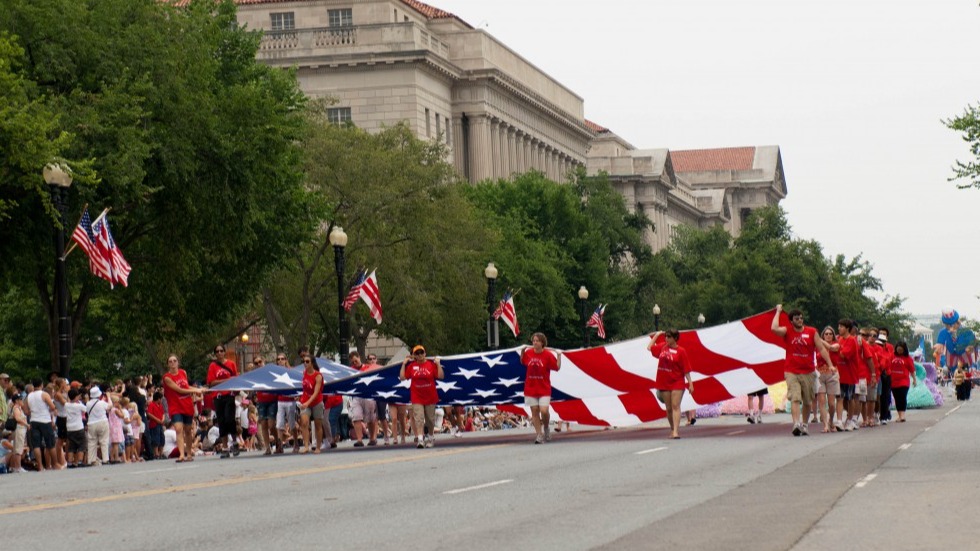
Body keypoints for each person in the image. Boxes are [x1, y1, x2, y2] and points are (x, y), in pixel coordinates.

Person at [771, 306, 834, 436]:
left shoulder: (812, 331)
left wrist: (830, 365)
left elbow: (821, 349)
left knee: (807, 401)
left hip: (808, 372)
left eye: (801, 318)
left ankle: (805, 424)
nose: (800, 320)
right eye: (796, 318)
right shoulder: (787, 331)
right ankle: (796, 424)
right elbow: (774, 328)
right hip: (791, 371)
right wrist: (777, 311)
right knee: (795, 397)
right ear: (791, 321)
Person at [647, 329, 695, 439]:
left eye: (669, 337)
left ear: (675, 338)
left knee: (675, 406)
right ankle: (672, 428)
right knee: (668, 408)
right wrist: (657, 335)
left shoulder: (681, 351)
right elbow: (649, 348)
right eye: (666, 336)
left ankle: (676, 432)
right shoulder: (663, 347)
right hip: (663, 382)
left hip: (677, 381)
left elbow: (686, 369)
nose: (666, 339)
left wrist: (690, 383)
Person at [520, 333, 562, 444]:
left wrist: (559, 356)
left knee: (543, 410)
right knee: (534, 411)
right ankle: (539, 435)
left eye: (537, 341)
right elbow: (522, 361)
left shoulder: (547, 355)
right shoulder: (529, 353)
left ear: (542, 343)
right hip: (530, 387)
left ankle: (547, 427)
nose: (535, 343)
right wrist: (522, 351)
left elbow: (557, 367)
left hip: (544, 387)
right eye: (533, 341)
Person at [162, 354, 206, 462]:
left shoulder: (183, 372)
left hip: (186, 404)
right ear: (168, 364)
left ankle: (189, 453)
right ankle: (182, 454)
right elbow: (179, 390)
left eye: (174, 361)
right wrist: (195, 391)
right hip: (175, 405)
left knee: (188, 430)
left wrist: (199, 389)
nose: (173, 363)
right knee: (178, 429)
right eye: (170, 361)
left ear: (178, 362)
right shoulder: (167, 377)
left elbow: (186, 387)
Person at [400, 345, 444, 449]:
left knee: (430, 419)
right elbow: (402, 377)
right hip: (417, 396)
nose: (419, 355)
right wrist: (403, 364)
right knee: (418, 418)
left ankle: (431, 437)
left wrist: (438, 364)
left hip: (430, 396)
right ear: (414, 356)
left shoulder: (430, 364)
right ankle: (420, 439)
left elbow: (441, 376)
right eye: (417, 353)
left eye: (421, 352)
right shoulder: (412, 366)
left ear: (425, 354)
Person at [206, 344, 239, 458]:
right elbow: (211, 382)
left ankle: (234, 442)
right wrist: (226, 380)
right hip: (218, 396)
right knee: (222, 421)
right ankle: (225, 447)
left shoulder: (231, 364)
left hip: (229, 394)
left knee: (230, 419)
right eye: (217, 351)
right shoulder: (213, 366)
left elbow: (235, 378)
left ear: (224, 352)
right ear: (215, 354)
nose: (219, 353)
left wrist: (236, 388)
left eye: (221, 351)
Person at [26, 378, 59, 470]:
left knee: (36, 444)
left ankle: (40, 465)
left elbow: (25, 410)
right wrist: (48, 410)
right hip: (45, 420)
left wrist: (33, 412)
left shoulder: (29, 396)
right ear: (41, 385)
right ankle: (55, 464)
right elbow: (52, 407)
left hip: (34, 420)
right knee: (50, 443)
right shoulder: (44, 394)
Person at [349, 352, 379, 447]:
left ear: (359, 358)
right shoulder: (350, 370)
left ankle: (372, 438)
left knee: (371, 418)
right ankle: (359, 439)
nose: (355, 363)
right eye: (353, 362)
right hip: (356, 396)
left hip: (368, 395)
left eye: (356, 360)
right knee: (356, 417)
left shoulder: (367, 368)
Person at [814, 326, 841, 433]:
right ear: (823, 335)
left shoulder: (837, 344)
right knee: (821, 401)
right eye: (826, 334)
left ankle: (831, 420)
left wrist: (818, 339)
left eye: (830, 334)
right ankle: (825, 424)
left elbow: (831, 348)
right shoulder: (817, 346)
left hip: (832, 374)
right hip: (820, 374)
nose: (828, 335)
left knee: (831, 403)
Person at [297, 353, 325, 454]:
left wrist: (308, 403)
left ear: (312, 363)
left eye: (307, 361)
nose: (305, 363)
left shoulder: (318, 376)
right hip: (305, 400)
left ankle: (318, 446)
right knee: (304, 422)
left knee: (318, 425)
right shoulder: (304, 373)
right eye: (304, 361)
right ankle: (306, 446)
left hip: (316, 401)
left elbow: (316, 392)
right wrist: (302, 400)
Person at [251, 354, 279, 455]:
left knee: (271, 424)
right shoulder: (254, 375)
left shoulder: (270, 372)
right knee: (263, 425)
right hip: (261, 401)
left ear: (264, 362)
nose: (258, 364)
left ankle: (277, 441)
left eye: (260, 362)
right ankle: (267, 448)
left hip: (272, 400)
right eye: (256, 363)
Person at [274, 352, 299, 454]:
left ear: (286, 360)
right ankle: (280, 446)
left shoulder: (291, 371)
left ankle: (296, 444)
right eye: (278, 359)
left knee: (292, 423)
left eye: (282, 359)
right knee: (279, 424)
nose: (280, 361)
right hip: (280, 401)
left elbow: (297, 382)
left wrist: (298, 395)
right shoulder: (275, 373)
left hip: (290, 401)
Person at [889, 341, 917, 422]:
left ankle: (903, 415)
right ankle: (899, 415)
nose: (899, 351)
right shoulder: (892, 356)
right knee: (897, 398)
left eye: (901, 350)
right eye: (898, 349)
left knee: (902, 397)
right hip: (893, 381)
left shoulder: (908, 358)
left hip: (903, 381)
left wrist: (914, 380)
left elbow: (912, 370)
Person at [85, 386, 111, 466]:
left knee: (92, 442)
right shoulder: (101, 402)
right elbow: (110, 406)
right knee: (104, 441)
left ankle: (91, 460)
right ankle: (105, 459)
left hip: (91, 423)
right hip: (102, 421)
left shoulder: (88, 404)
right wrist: (109, 397)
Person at [64, 389, 87, 468]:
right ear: (76, 397)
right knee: (81, 444)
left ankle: (70, 462)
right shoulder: (79, 405)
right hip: (78, 427)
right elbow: (86, 409)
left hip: (70, 428)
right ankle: (80, 461)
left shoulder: (66, 405)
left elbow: (67, 401)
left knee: (71, 446)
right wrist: (80, 401)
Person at [8, 394, 29, 473]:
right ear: (17, 401)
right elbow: (17, 419)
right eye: (20, 399)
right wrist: (27, 424)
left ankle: (13, 466)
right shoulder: (16, 408)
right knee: (18, 449)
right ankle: (18, 467)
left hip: (20, 429)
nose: (22, 401)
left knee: (16, 448)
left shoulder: (18, 408)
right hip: (19, 429)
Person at [145, 391, 166, 459]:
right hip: (154, 424)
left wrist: (162, 419)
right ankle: (156, 453)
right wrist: (157, 419)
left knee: (162, 437)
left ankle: (161, 453)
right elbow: (149, 414)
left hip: (160, 423)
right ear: (158, 399)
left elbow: (163, 413)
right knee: (155, 438)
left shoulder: (160, 405)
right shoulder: (151, 404)